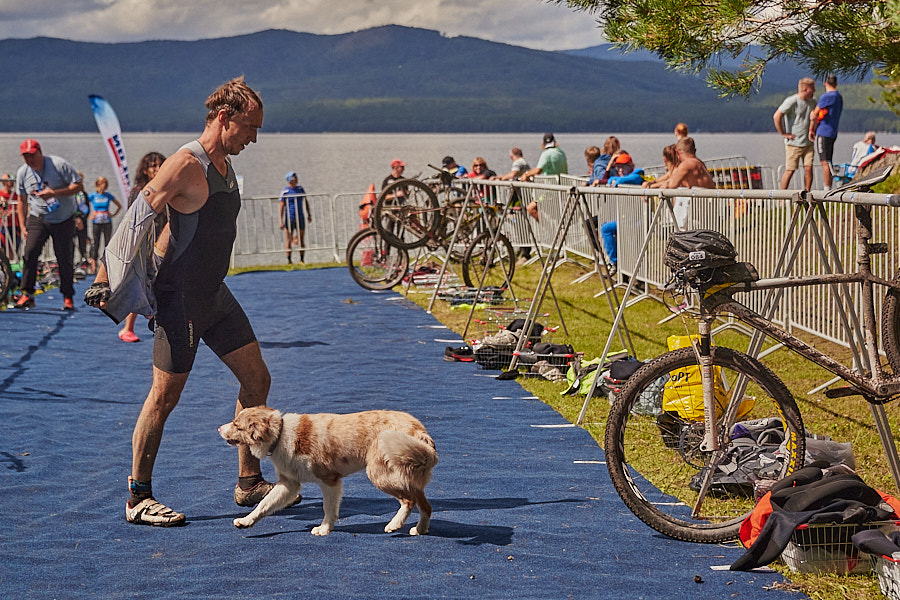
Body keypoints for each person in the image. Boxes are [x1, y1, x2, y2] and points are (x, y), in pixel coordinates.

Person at [84, 77, 284, 526]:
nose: (253, 137)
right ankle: (138, 497)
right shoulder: (184, 164)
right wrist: (104, 276)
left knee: (257, 380)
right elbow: (136, 217)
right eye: (249, 127)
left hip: (215, 293)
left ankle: (248, 482)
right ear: (223, 117)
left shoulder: (224, 163)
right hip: (181, 301)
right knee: (163, 398)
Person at [14, 139, 83, 310]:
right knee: (29, 253)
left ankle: (68, 296)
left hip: (63, 218)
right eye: (25, 156)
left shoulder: (59, 165)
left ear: (40, 152)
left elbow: (78, 186)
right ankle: (27, 294)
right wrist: (22, 226)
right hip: (38, 217)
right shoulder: (23, 172)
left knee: (64, 258)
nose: (30, 159)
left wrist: (55, 193)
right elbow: (21, 201)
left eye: (32, 155)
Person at [118, 151, 166, 343]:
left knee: (160, 287)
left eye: (161, 165)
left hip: (163, 244)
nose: (158, 169)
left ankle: (161, 325)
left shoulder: (168, 188)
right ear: (145, 170)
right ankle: (127, 327)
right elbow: (133, 219)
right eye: (153, 166)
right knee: (141, 286)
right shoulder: (139, 191)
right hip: (144, 244)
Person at [773, 77, 817, 190]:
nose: (815, 91)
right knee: (790, 170)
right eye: (813, 89)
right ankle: (782, 198)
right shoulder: (792, 100)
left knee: (808, 168)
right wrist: (783, 133)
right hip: (794, 143)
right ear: (806, 89)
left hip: (808, 142)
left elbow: (814, 118)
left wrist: (813, 128)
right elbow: (777, 116)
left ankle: (806, 194)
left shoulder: (813, 102)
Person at [810, 73, 843, 190]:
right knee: (829, 160)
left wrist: (811, 129)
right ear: (836, 84)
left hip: (823, 132)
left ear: (825, 83)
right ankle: (829, 186)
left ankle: (826, 189)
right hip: (833, 132)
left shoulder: (826, 97)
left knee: (824, 162)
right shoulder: (838, 97)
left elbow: (814, 114)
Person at [87, 176, 122, 274]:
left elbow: (119, 206)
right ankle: (94, 265)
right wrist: (88, 215)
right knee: (96, 243)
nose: (104, 186)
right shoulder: (93, 195)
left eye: (105, 184)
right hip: (96, 222)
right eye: (102, 184)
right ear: (98, 184)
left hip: (107, 221)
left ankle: (107, 264)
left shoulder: (108, 195)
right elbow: (83, 204)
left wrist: (113, 214)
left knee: (107, 243)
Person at [280, 170, 311, 264]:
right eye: (294, 177)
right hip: (289, 218)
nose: (296, 179)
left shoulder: (300, 189)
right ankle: (289, 260)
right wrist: (281, 220)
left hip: (300, 216)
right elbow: (281, 206)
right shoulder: (285, 191)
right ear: (290, 180)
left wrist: (309, 214)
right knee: (289, 239)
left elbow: (306, 201)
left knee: (301, 238)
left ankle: (302, 259)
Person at [0, 173, 21, 256]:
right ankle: (6, 265)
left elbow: (21, 208)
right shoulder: (0, 194)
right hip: (3, 224)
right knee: (4, 246)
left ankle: (14, 264)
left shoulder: (16, 195)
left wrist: (13, 211)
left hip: (14, 225)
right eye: (9, 181)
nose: (11, 183)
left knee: (15, 246)